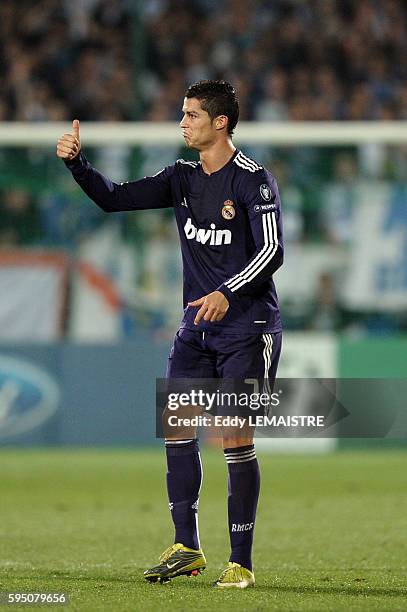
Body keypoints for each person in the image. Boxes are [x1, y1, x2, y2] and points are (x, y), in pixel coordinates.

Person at [57, 80, 283, 589]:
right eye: (182, 114)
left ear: (220, 122)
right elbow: (114, 200)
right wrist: (77, 164)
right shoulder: (181, 177)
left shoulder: (253, 181)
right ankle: (187, 547)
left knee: (233, 437)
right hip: (196, 329)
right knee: (177, 425)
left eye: (191, 115)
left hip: (247, 329)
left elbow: (272, 252)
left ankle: (241, 562)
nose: (182, 122)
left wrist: (227, 290)